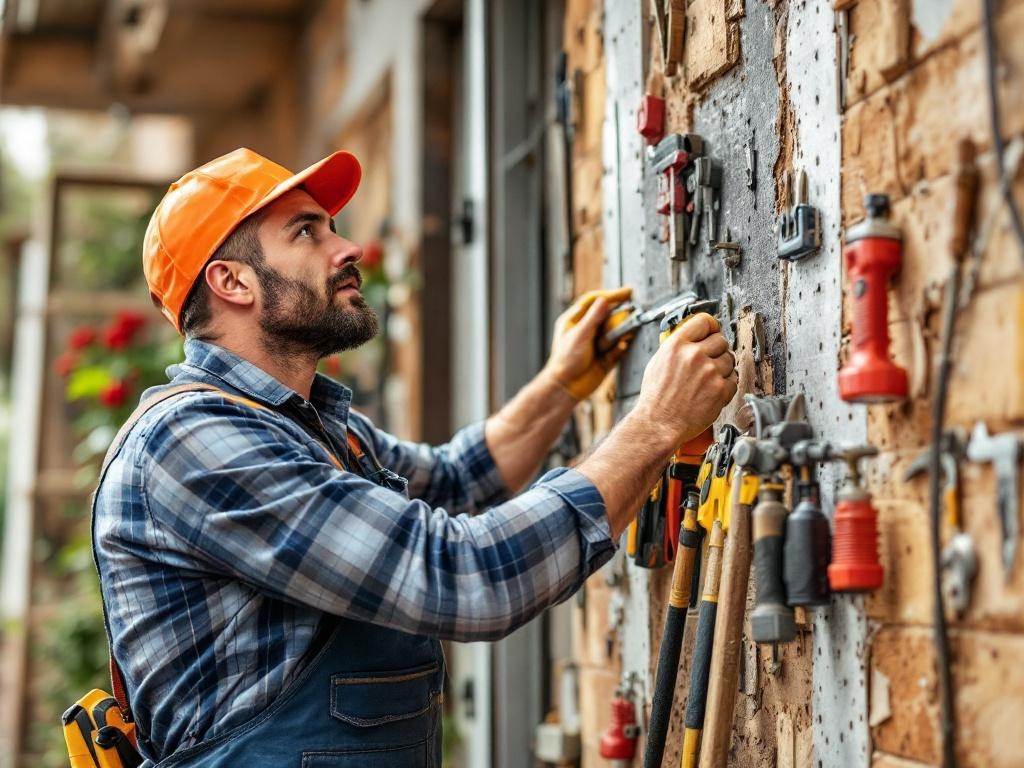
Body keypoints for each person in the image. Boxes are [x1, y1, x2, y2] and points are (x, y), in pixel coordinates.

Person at [92, 147, 737, 766]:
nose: (347, 249)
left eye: (332, 227)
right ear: (231, 282)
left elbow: (456, 480)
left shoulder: (309, 428)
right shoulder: (193, 443)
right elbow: (464, 576)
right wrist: (654, 425)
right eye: (307, 233)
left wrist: (561, 386)